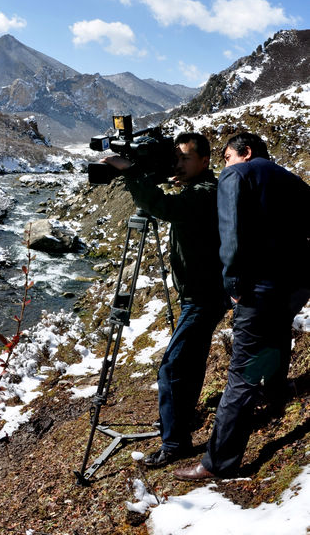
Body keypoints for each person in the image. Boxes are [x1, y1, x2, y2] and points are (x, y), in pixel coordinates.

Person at [174, 132, 310, 481]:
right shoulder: (291, 179)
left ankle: (219, 462)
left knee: (241, 374)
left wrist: (232, 281)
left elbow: (230, 229)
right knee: (279, 335)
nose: (224, 165)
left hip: (259, 287)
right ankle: (276, 394)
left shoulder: (238, 174)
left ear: (245, 152)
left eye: (226, 157)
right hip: (294, 284)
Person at [103, 132, 226, 467]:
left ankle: (174, 443)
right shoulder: (197, 189)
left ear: (205, 161)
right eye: (177, 157)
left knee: (172, 367)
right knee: (190, 362)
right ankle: (180, 425)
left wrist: (130, 172)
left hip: (203, 296)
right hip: (203, 293)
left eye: (186, 158)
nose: (179, 163)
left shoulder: (204, 193)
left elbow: (163, 206)